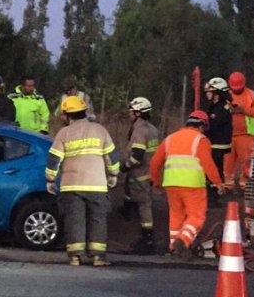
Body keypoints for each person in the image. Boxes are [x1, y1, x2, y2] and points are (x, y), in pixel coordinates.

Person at [45, 95, 120, 266]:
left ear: (67, 115)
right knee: (98, 220)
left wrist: (50, 179)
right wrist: (113, 175)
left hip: (71, 185)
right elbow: (112, 156)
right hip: (97, 184)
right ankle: (98, 257)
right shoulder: (100, 130)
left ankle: (75, 257)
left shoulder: (64, 133)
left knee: (74, 220)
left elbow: (54, 159)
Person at [150, 110, 226, 258]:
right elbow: (208, 164)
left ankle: (174, 247)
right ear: (202, 126)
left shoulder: (170, 139)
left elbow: (155, 163)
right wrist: (218, 183)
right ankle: (183, 240)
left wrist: (156, 182)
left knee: (176, 216)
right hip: (193, 185)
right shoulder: (201, 140)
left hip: (171, 184)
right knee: (196, 216)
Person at [121, 97, 161, 254]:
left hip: (139, 176)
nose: (129, 114)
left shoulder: (139, 131)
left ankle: (147, 240)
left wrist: (125, 166)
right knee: (142, 205)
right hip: (150, 174)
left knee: (144, 208)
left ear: (137, 113)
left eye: (131, 112)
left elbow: (137, 156)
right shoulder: (153, 129)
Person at [225, 70, 254, 192]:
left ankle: (246, 186)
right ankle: (227, 187)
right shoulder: (225, 95)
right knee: (227, 163)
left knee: (247, 162)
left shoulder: (252, 95)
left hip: (246, 135)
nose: (236, 90)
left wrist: (243, 110)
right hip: (227, 135)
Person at [203, 77, 233, 202]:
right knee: (216, 169)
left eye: (209, 91)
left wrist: (202, 125)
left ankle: (214, 195)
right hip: (215, 142)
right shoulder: (216, 106)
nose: (207, 94)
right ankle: (214, 194)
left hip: (218, 144)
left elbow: (212, 125)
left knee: (214, 169)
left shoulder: (222, 108)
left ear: (217, 92)